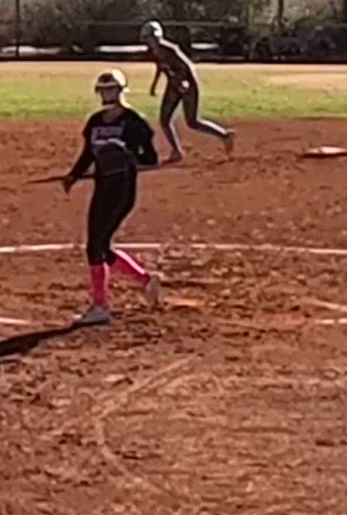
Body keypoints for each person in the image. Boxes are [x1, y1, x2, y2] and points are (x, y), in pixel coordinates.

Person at [62, 70, 162, 327]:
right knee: (100, 246)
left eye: (112, 89)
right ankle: (144, 279)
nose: (107, 94)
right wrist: (73, 175)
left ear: (121, 90)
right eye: (104, 89)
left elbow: (150, 158)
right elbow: (89, 154)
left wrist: (126, 154)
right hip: (102, 187)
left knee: (95, 246)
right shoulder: (95, 122)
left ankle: (101, 306)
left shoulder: (133, 122)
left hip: (122, 189)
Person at [141, 21, 235, 163]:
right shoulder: (154, 52)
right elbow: (161, 67)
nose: (152, 41)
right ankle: (176, 151)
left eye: (153, 37)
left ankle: (225, 136)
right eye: (149, 38)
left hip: (188, 84)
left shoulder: (170, 49)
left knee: (192, 122)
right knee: (164, 120)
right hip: (173, 85)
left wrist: (184, 82)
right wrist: (154, 85)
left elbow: (187, 67)